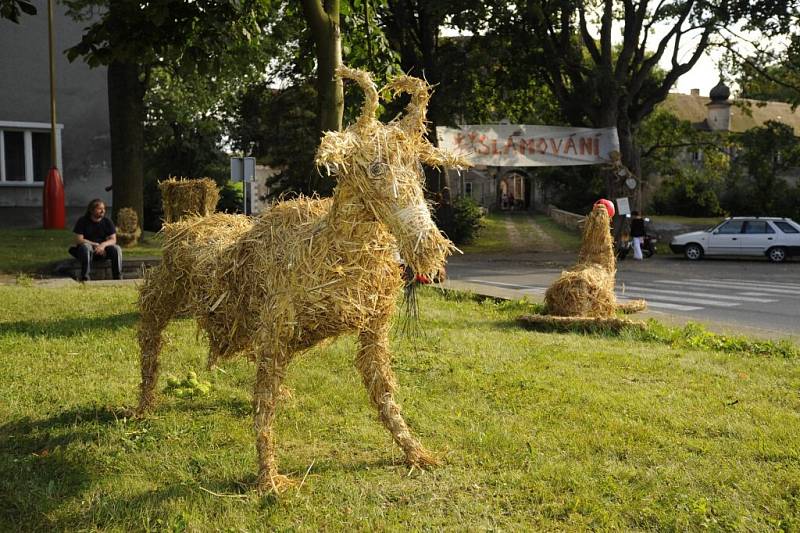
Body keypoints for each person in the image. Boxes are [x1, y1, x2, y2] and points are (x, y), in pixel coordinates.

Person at [68, 199, 123, 281]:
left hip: (102, 251)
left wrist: (102, 245)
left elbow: (113, 240)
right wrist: (94, 244)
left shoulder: (107, 222)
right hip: (86, 251)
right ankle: (85, 278)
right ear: (91, 210)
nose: (103, 211)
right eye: (99, 209)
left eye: (104, 208)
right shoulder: (83, 221)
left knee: (117, 248)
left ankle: (118, 278)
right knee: (86, 247)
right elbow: (78, 239)